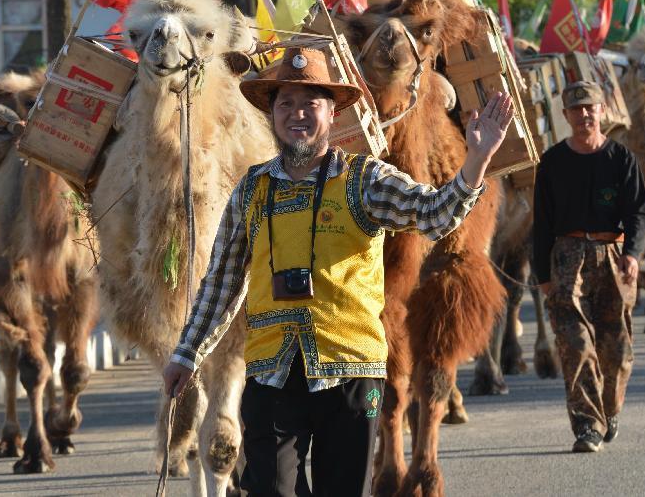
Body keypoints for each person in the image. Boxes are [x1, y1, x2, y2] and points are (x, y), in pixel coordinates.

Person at [162, 43, 514, 496]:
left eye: (310, 103)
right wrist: (186, 354)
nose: (297, 114)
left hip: (350, 371)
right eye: (285, 103)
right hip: (272, 371)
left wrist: (476, 160)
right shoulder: (252, 189)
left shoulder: (366, 180)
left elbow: (434, 215)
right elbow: (222, 282)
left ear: (332, 113)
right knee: (268, 489)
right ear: (272, 114)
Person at [533, 81, 645, 454]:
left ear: (602, 110)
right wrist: (543, 276)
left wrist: (633, 253)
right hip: (567, 260)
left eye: (590, 107)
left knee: (616, 349)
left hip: (612, 257)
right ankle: (587, 426)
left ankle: (609, 410)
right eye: (576, 109)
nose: (584, 114)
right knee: (576, 344)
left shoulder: (621, 159)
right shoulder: (552, 162)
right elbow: (541, 223)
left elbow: (638, 213)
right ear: (565, 115)